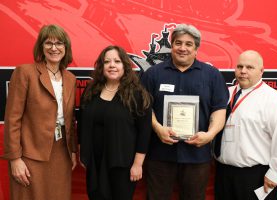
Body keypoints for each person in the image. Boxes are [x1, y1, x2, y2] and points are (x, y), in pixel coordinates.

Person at [141, 23, 229, 200]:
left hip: (197, 155)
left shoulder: (212, 75)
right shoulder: (152, 74)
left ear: (196, 48)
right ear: (171, 45)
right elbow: (144, 108)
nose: (183, 48)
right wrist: (158, 128)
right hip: (160, 154)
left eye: (189, 44)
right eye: (178, 43)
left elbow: (219, 110)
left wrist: (210, 135)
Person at [1, 24, 77, 200]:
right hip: (29, 154)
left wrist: (72, 151)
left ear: (65, 47)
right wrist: (15, 159)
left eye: (59, 43)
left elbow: (70, 118)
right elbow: (12, 119)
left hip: (61, 154)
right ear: (41, 47)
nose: (54, 48)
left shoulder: (70, 79)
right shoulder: (25, 72)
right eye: (48, 43)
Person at [214, 50, 277, 200]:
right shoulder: (225, 94)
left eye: (250, 67)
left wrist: (276, 174)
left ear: (261, 71)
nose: (243, 71)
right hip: (223, 174)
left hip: (256, 176)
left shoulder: (275, 101)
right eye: (239, 66)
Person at [78, 45, 152, 200]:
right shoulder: (91, 91)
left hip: (122, 165)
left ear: (125, 66)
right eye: (107, 62)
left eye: (117, 61)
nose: (112, 65)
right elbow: (82, 123)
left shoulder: (136, 94)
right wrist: (83, 153)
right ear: (101, 66)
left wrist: (138, 165)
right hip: (95, 162)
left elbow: (144, 132)